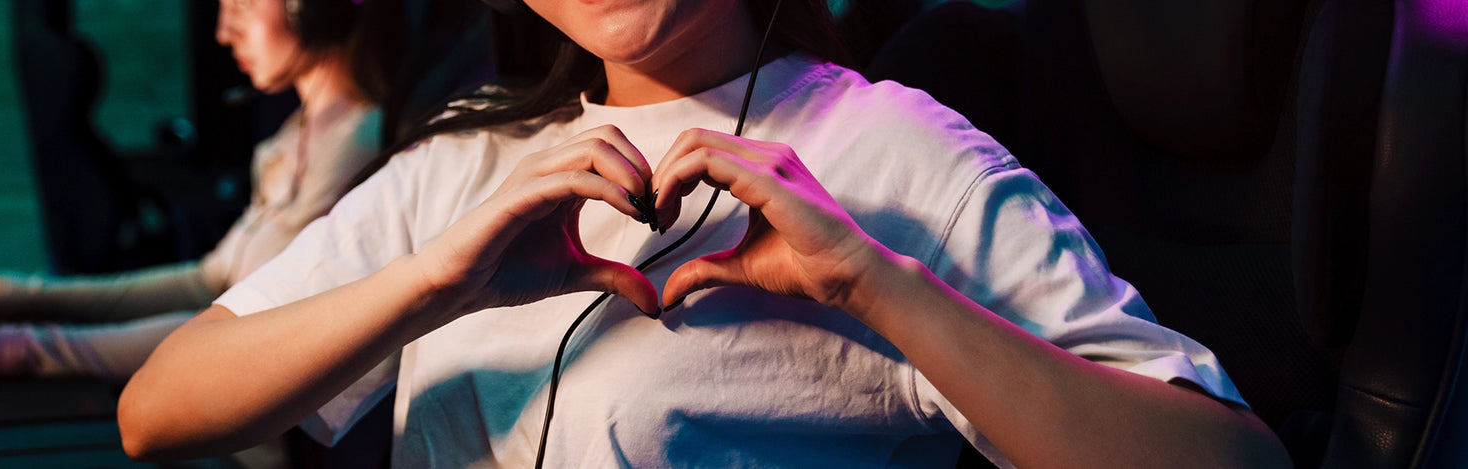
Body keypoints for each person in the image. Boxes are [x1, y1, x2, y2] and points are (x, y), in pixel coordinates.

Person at [114, 0, 1292, 466]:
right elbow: (158, 413)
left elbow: (1227, 464)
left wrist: (876, 287)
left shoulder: (892, 152)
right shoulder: (464, 161)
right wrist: (434, 284)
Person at [0, 0, 400, 380]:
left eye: (242, 3)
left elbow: (247, 329)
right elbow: (208, 283)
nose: (224, 32)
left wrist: (12, 348)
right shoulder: (295, 135)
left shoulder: (358, 144)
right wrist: (20, 298)